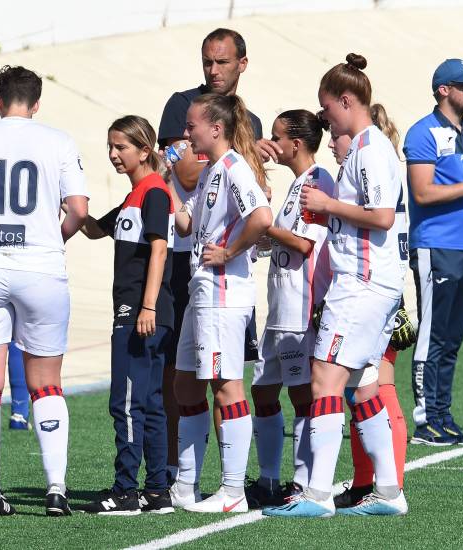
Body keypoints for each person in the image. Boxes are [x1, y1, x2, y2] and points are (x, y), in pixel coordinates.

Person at [265, 53, 408, 518]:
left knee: (325, 376)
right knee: (363, 386)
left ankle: (317, 494)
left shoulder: (370, 149)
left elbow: (381, 217)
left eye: (327, 107)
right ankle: (389, 492)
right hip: (372, 284)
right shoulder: (367, 148)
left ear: (347, 100)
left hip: (362, 283)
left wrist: (328, 203)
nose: (324, 117)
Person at [0, 65, 88, 516]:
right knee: (46, 384)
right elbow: (80, 211)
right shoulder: (59, 141)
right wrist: (53, 236)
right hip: (41, 266)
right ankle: (56, 490)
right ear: (37, 103)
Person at [156, 28, 271, 475]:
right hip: (188, 257)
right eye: (208, 61)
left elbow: (254, 191)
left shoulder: (249, 122)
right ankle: (174, 474)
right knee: (182, 374)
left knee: (227, 377)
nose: (213, 70)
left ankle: (234, 481)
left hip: (226, 272)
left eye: (222, 62)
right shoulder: (183, 104)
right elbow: (186, 173)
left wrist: (233, 155)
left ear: (242, 63)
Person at [170, 93, 272, 514]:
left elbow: (261, 218)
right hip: (202, 290)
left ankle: (232, 491)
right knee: (184, 383)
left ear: (216, 128)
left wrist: (229, 253)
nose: (186, 133)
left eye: (191, 125)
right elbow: (189, 223)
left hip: (223, 293)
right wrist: (161, 177)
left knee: (225, 384)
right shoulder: (211, 170)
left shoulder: (233, 167)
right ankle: (184, 485)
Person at [75, 115, 175, 515]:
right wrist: (70, 198)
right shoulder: (136, 195)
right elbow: (94, 230)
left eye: (122, 147)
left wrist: (147, 305)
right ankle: (156, 490)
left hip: (139, 311)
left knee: (128, 401)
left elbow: (159, 249)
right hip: (141, 310)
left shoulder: (153, 192)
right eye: (111, 147)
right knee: (148, 401)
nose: (114, 155)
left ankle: (126, 490)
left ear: (144, 150)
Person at [247, 110, 334, 507]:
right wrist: (266, 238)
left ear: (295, 144)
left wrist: (263, 226)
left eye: (277, 137)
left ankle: (302, 484)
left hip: (301, 311)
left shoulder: (318, 181)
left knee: (302, 398)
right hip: (278, 310)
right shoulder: (296, 185)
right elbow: (285, 241)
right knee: (262, 393)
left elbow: (306, 243)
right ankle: (268, 480)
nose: (272, 143)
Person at [333, 106, 414, 508]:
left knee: (379, 385)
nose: (333, 142)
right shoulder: (371, 163)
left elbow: (382, 223)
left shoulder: (372, 160)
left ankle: (387, 484)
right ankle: (372, 484)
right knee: (362, 388)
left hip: (376, 287)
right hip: (381, 285)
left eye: (336, 134)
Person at [404, 59, 463, 446]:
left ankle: (442, 414)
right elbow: (422, 193)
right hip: (435, 246)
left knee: (452, 339)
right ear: (443, 90)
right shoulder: (423, 133)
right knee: (432, 336)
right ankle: (424, 419)